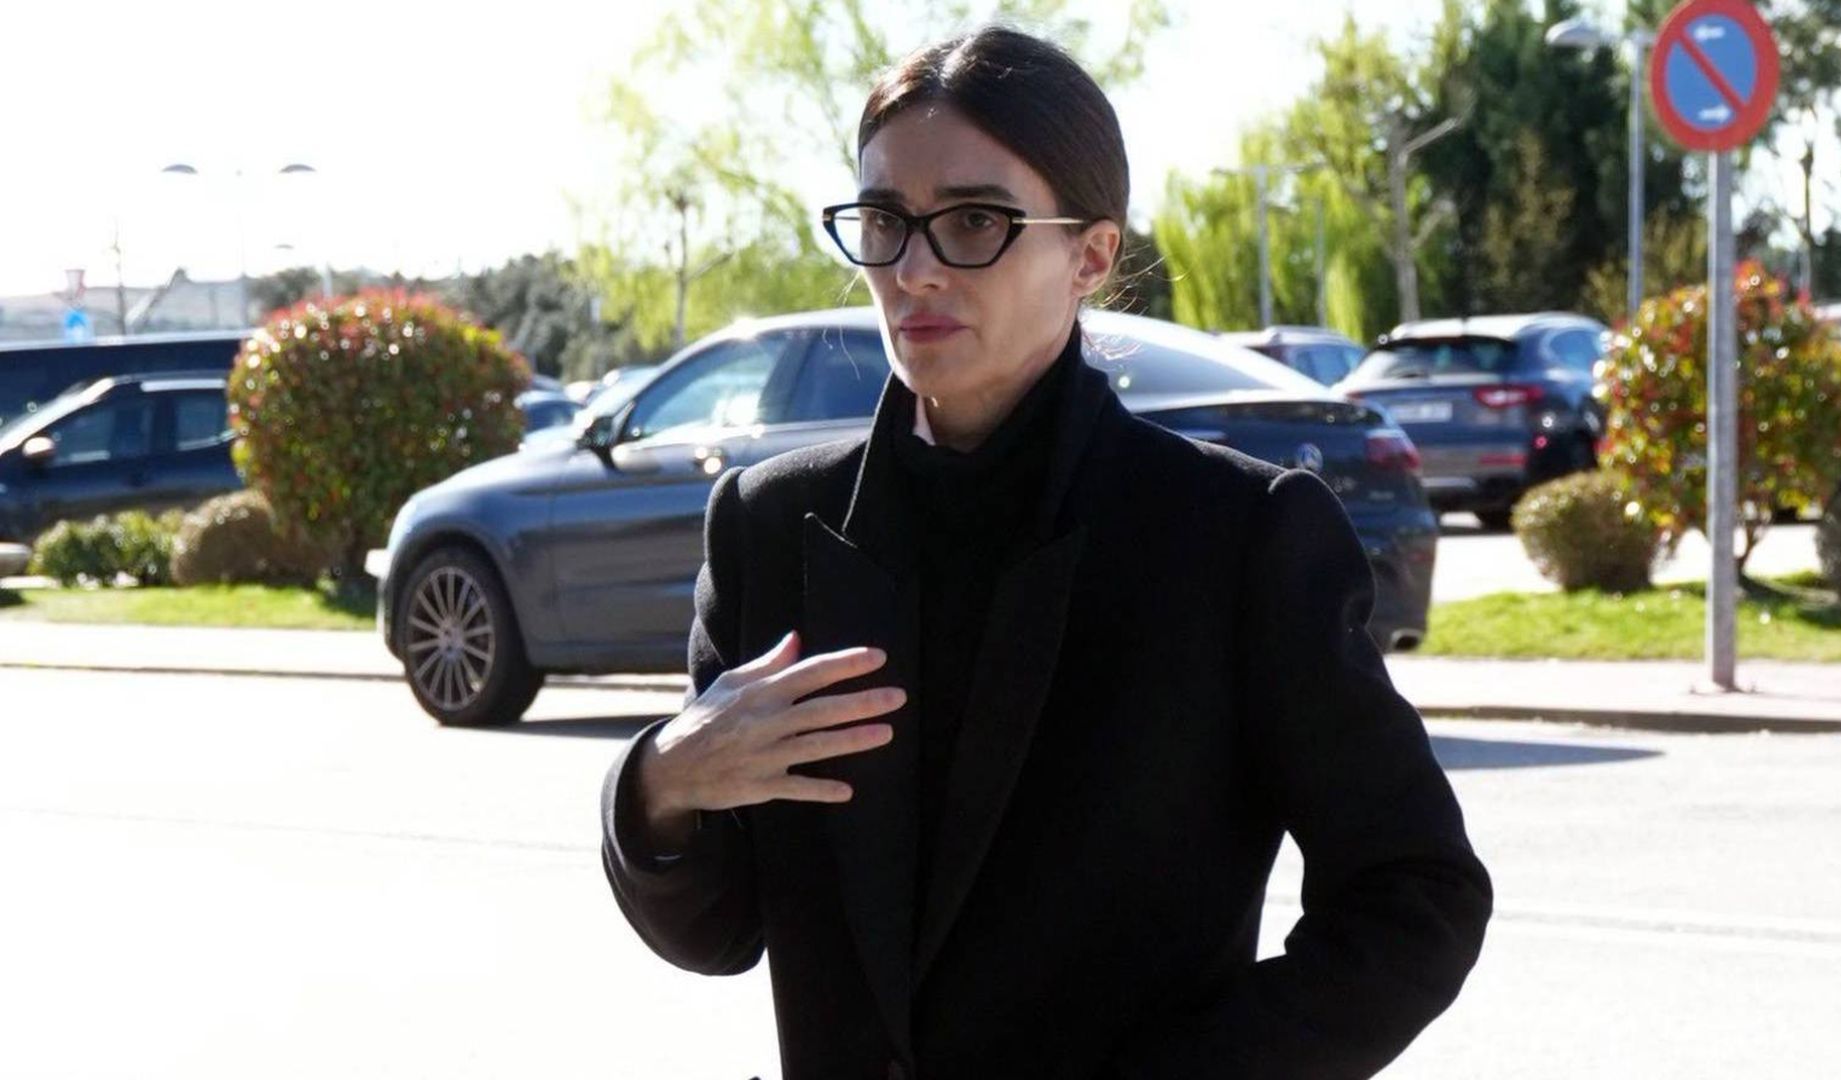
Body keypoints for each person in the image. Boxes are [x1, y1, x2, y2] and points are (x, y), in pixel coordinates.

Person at [600, 24, 1493, 1080]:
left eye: (974, 221)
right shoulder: (769, 526)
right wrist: (660, 783)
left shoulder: (1233, 535)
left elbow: (1417, 893)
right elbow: (718, 929)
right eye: (884, 221)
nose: (916, 269)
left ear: (1092, 255)